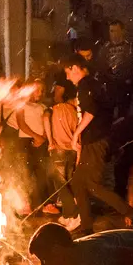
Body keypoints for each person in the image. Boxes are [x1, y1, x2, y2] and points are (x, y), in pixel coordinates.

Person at [64, 55, 133, 233]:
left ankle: (129, 211)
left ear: (75, 67)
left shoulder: (85, 85)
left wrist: (76, 135)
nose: (68, 77)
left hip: (96, 141)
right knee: (77, 183)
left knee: (92, 184)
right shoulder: (95, 83)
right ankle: (86, 224)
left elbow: (90, 113)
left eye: (68, 72)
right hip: (95, 139)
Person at [13, 79, 51, 214]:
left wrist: (44, 137)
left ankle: (44, 204)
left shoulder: (42, 107)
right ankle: (26, 205)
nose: (40, 93)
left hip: (40, 141)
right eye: (38, 90)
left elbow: (46, 124)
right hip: (26, 141)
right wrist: (36, 136)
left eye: (42, 90)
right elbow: (21, 124)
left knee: (41, 173)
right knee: (26, 173)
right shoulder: (21, 105)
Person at [46, 96, 80, 227]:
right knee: (68, 183)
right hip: (72, 150)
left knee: (60, 184)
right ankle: (68, 215)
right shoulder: (75, 112)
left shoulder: (56, 108)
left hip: (59, 149)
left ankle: (72, 214)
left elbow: (45, 118)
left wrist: (50, 141)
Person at [96, 20, 133, 119]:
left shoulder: (130, 47)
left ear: (122, 31)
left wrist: (131, 81)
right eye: (111, 31)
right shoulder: (105, 48)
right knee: (108, 112)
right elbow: (100, 65)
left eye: (116, 31)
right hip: (110, 84)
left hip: (124, 84)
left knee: (123, 113)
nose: (113, 34)